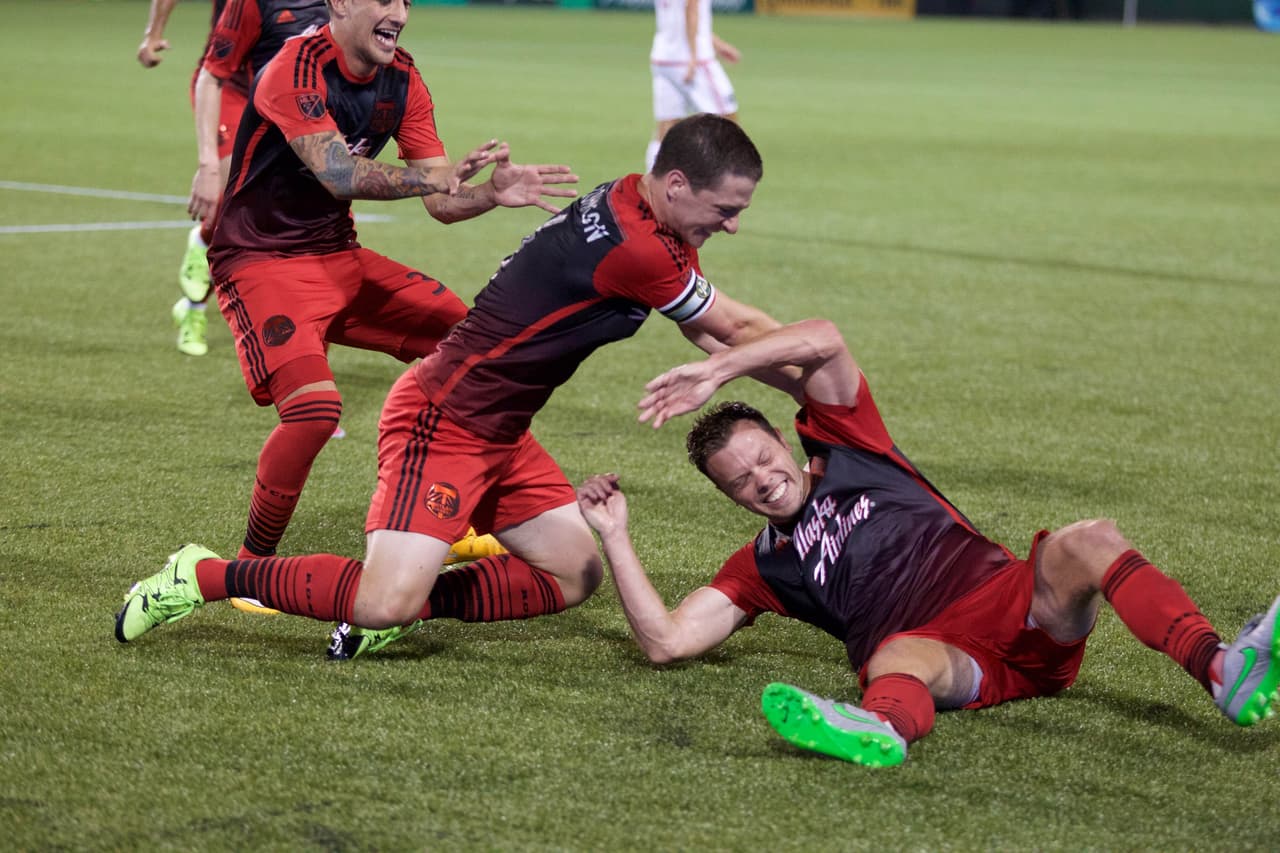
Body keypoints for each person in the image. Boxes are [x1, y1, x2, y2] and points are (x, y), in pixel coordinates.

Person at [114, 113, 795, 660]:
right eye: (726, 207)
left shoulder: (638, 204)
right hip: (442, 420)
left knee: (574, 572)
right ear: (676, 184)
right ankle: (200, 575)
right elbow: (730, 324)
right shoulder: (641, 248)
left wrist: (784, 371)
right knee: (381, 597)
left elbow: (711, 333)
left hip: (500, 429)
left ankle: (409, 603)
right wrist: (817, 375)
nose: (732, 223)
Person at [574, 318, 1280, 767]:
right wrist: (615, 536)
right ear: (728, 497)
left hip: (1010, 601)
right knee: (890, 655)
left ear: (784, 441)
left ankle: (1220, 667)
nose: (762, 481)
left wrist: (719, 368)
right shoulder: (762, 566)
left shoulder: (852, 445)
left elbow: (824, 337)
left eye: (764, 460)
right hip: (939, 653)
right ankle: (879, 729)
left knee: (1088, 540)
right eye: (740, 483)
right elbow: (665, 640)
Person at [198, 0, 571, 600]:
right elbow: (342, 175)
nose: (399, 12)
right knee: (315, 412)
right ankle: (250, 567)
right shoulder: (292, 70)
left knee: (470, 348)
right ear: (341, 4)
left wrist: (489, 194)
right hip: (261, 262)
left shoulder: (403, 76)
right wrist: (440, 177)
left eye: (405, 1)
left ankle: (472, 516)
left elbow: (443, 202)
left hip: (341, 258)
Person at [178, 0, 331, 357]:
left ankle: (303, 326)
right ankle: (194, 306)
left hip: (285, 97)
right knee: (227, 199)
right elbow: (212, 73)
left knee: (310, 209)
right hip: (233, 89)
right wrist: (207, 166)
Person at [136, 0, 254, 356]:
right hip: (228, 83)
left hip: (290, 90)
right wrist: (153, 32)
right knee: (228, 194)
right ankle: (196, 311)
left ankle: (191, 304)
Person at [646, 0, 741, 172]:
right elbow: (691, 10)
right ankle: (723, 182)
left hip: (663, 58)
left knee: (667, 125)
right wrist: (693, 56)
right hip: (692, 60)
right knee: (727, 120)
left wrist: (717, 45)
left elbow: (682, 17)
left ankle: (652, 185)